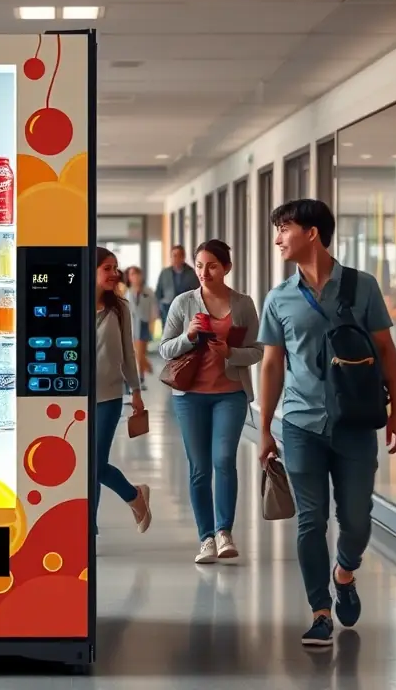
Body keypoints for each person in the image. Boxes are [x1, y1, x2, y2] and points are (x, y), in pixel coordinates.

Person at [258, 199, 396, 647]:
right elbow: (272, 365)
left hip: (356, 421)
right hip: (301, 423)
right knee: (311, 520)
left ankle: (345, 572)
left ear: (312, 233)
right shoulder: (279, 297)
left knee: (357, 519)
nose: (278, 238)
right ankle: (320, 611)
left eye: (284, 228)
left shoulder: (362, 287)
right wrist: (265, 429)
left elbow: (386, 351)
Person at [159, 240, 263, 564]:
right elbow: (164, 348)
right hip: (189, 397)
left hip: (230, 393)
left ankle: (224, 532)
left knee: (224, 459)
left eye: (213, 266)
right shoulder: (183, 303)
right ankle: (205, 537)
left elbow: (257, 351)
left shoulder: (243, 304)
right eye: (200, 265)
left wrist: (230, 352)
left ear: (227, 268)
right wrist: (188, 336)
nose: (205, 272)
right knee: (200, 468)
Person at [94, 247, 152, 533]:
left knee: (94, 465)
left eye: (115, 268)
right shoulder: (72, 305)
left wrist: (136, 391)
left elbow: (129, 353)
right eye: (107, 268)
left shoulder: (120, 308)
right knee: (88, 468)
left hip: (109, 397)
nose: (114, 273)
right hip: (76, 398)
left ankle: (132, 496)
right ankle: (90, 528)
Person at [124, 266, 157, 390]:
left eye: (136, 274)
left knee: (141, 353)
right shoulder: (128, 293)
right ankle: (145, 368)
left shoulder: (148, 291)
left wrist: (152, 322)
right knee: (136, 354)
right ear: (129, 278)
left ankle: (141, 377)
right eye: (132, 274)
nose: (135, 277)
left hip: (144, 324)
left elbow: (154, 308)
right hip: (132, 324)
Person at [155, 245, 200, 326]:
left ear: (183, 257)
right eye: (173, 256)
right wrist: (158, 308)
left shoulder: (191, 273)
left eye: (178, 256)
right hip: (167, 309)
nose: (175, 258)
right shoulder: (165, 273)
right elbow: (158, 292)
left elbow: (197, 293)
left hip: (186, 310)